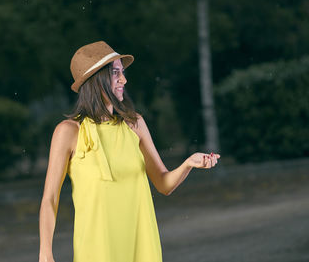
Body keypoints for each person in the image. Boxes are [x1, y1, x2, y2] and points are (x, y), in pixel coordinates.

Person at [38, 41, 220, 262]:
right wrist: (45, 252)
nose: (124, 80)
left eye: (122, 73)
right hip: (97, 251)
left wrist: (188, 163)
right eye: (116, 73)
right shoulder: (68, 132)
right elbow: (50, 199)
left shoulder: (135, 124)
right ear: (96, 79)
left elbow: (164, 184)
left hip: (141, 248)